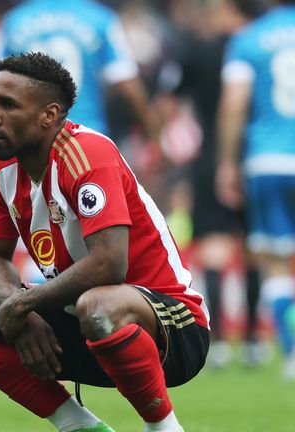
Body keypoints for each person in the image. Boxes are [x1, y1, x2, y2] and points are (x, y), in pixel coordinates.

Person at [0, 52, 209, 432]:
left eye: (8, 105)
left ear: (48, 115)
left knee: (97, 304)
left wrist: (26, 302)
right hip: (84, 321)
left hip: (174, 329)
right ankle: (79, 426)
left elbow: (108, 265)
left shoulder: (87, 153)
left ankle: (164, 429)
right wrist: (23, 314)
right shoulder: (3, 169)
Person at [165, 0, 265, 368]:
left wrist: (170, 143)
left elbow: (170, 100)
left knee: (214, 250)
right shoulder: (261, 49)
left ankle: (219, 338)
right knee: (254, 247)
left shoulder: (200, 51)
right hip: (255, 154)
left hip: (211, 158)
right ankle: (255, 338)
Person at [216, 0, 295, 379]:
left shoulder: (250, 39)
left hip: (268, 160)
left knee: (276, 261)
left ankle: (293, 353)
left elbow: (234, 103)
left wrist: (228, 162)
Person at [1, 0, 159, 142]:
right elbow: (127, 83)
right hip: (86, 138)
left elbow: (2, 88)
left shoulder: (15, 21)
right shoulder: (100, 19)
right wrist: (154, 135)